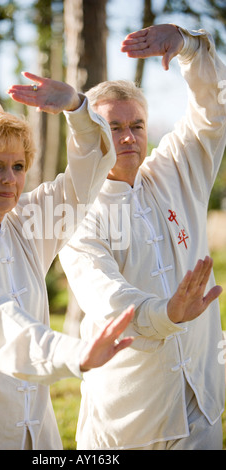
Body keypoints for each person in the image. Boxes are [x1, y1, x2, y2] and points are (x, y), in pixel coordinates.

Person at [0, 72, 136, 450]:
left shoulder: (27, 221)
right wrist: (74, 352)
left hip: (36, 428)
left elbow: (87, 177)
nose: (10, 179)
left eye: (18, 166)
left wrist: (76, 107)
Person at [59, 24, 226, 450]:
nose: (129, 137)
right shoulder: (76, 215)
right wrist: (166, 312)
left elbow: (214, 108)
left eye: (137, 125)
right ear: (89, 135)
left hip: (202, 402)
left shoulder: (174, 171)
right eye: (114, 127)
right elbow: (108, 299)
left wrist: (189, 48)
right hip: (132, 421)